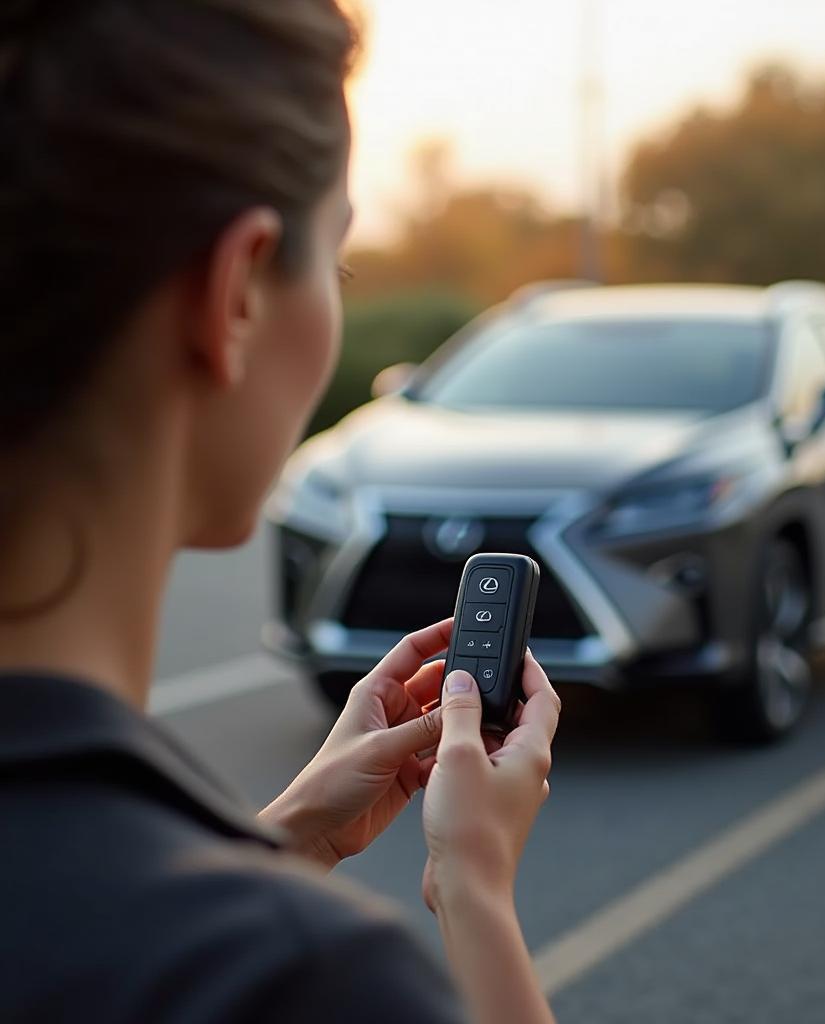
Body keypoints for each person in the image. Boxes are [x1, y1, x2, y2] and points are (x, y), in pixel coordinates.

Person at [0, 2, 560, 1022]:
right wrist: (470, 887)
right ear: (239, 292)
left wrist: (293, 831)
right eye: (338, 263)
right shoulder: (283, 977)